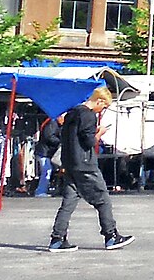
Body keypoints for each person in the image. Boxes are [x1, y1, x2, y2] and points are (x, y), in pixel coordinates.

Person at [49, 88, 132, 252]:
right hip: (85, 164)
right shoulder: (88, 115)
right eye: (105, 106)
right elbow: (88, 142)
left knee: (69, 201)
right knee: (102, 199)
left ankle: (57, 239)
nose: (103, 109)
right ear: (99, 101)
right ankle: (111, 236)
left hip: (69, 163)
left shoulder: (71, 113)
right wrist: (99, 133)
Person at [33, 112, 61, 197]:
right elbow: (48, 136)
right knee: (46, 170)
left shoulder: (54, 123)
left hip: (46, 151)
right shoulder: (52, 123)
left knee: (48, 170)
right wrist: (60, 141)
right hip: (44, 152)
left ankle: (42, 190)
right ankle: (40, 191)